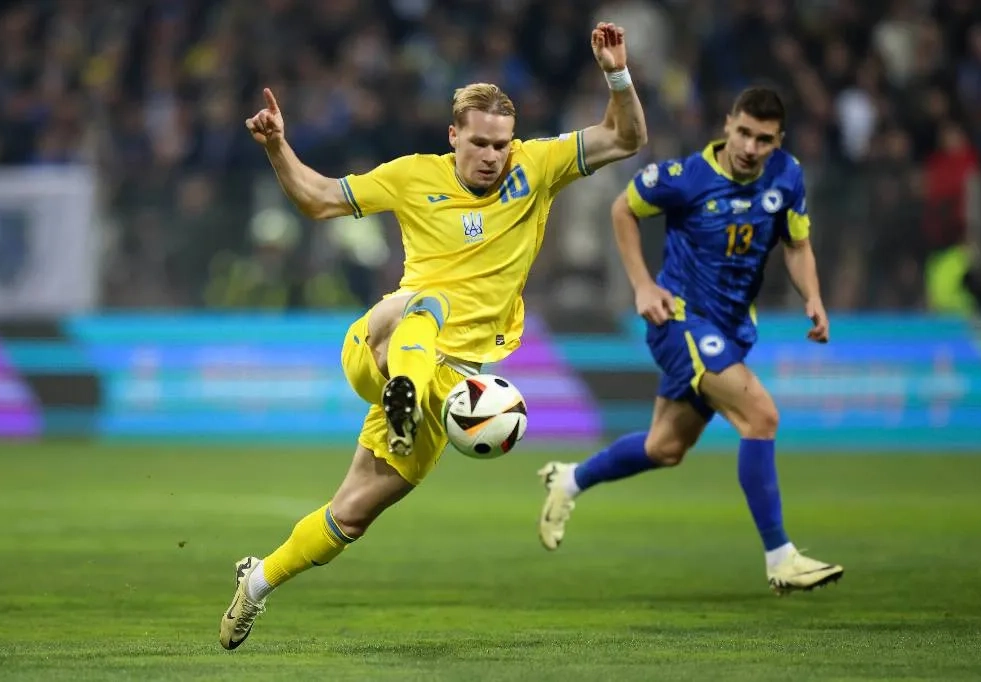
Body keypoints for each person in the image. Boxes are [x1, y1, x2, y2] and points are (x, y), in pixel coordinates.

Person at [220, 22, 648, 649]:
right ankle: (404, 392)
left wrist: (617, 75)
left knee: (351, 515)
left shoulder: (538, 166)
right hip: (384, 345)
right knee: (426, 302)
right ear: (454, 137)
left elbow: (626, 136)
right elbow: (320, 199)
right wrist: (278, 146)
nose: (493, 156)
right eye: (479, 143)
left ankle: (257, 582)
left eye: (501, 144)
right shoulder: (412, 176)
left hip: (454, 382)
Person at [537, 87, 844, 595]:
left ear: (778, 141)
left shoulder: (786, 175)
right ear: (728, 125)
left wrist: (812, 296)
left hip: (730, 329)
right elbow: (622, 209)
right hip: (678, 320)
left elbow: (797, 244)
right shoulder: (685, 177)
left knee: (664, 447)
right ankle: (781, 557)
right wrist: (642, 285)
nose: (750, 147)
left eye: (763, 139)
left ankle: (569, 480)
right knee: (761, 416)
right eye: (744, 133)